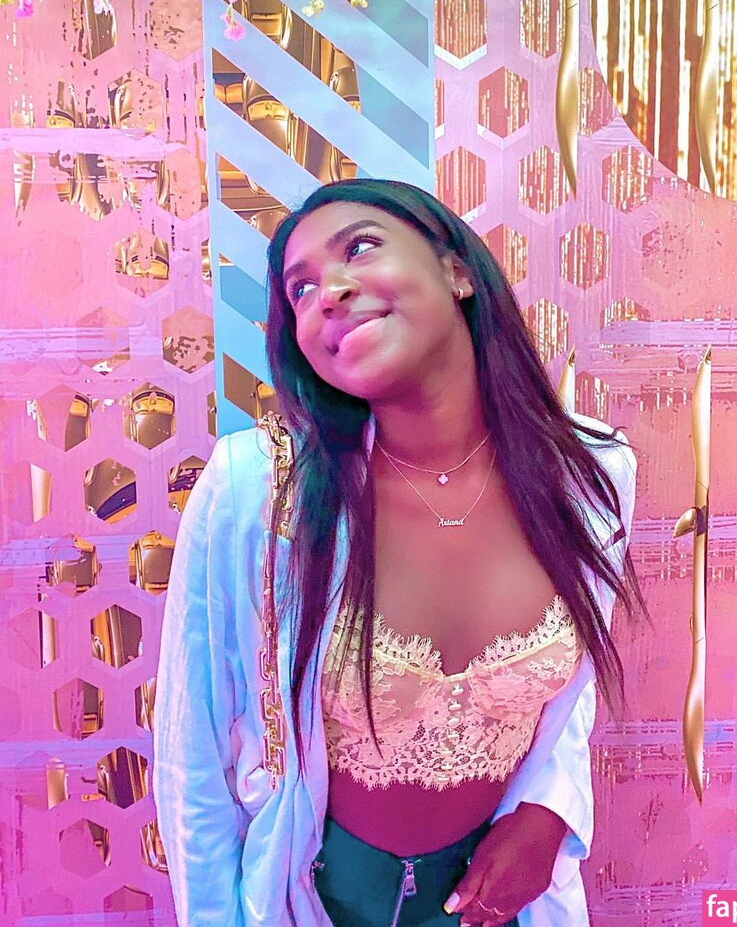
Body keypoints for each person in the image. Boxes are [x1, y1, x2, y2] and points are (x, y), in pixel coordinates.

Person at [153, 178, 642, 927]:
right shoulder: (258, 489)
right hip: (314, 896)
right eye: (300, 289)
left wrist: (550, 808)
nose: (329, 291)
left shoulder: (592, 474)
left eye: (360, 248)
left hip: (499, 899)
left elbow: (564, 693)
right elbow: (194, 763)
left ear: (457, 270)